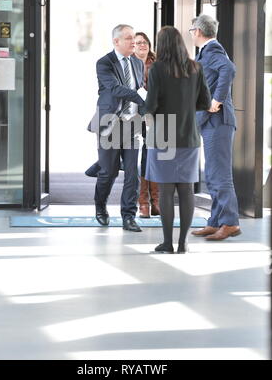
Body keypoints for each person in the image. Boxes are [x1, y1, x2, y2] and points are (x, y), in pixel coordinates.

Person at [144, 26, 211, 253]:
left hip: (164, 133)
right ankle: (183, 243)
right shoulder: (196, 67)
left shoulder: (157, 69)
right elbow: (204, 102)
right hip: (189, 135)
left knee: (165, 190)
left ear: (161, 45)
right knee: (186, 189)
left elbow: (151, 105)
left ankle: (167, 243)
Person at [87, 24, 145, 232]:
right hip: (110, 124)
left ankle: (128, 216)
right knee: (108, 173)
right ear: (116, 41)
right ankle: (100, 205)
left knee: (132, 173)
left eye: (135, 38)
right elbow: (115, 88)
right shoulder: (105, 63)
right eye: (129, 38)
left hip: (132, 124)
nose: (134, 42)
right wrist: (139, 97)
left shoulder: (138, 63)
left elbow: (141, 87)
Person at [189, 14, 241, 241]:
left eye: (192, 30)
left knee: (220, 175)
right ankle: (216, 221)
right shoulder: (206, 51)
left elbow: (229, 69)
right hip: (210, 123)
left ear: (198, 32)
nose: (191, 34)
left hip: (218, 122)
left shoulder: (213, 50)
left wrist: (216, 100)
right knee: (211, 174)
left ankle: (230, 223)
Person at [134, 32, 160, 218]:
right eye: (138, 43)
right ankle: (143, 202)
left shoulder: (158, 64)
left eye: (145, 42)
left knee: (151, 155)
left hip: (154, 116)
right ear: (132, 46)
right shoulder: (127, 64)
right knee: (134, 156)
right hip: (132, 116)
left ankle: (153, 202)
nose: (142, 45)